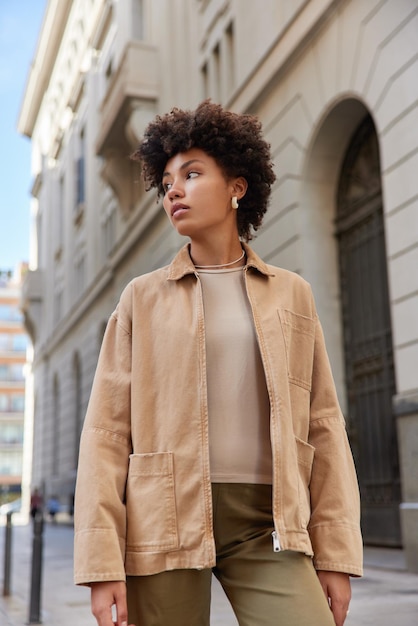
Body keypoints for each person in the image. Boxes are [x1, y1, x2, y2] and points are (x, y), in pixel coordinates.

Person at [74, 100, 363, 626]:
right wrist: (101, 563)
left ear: (237, 186)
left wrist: (336, 552)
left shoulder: (292, 295)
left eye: (191, 173)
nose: (174, 191)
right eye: (165, 182)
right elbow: (106, 434)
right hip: (163, 517)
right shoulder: (141, 299)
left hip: (269, 522)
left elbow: (323, 425)